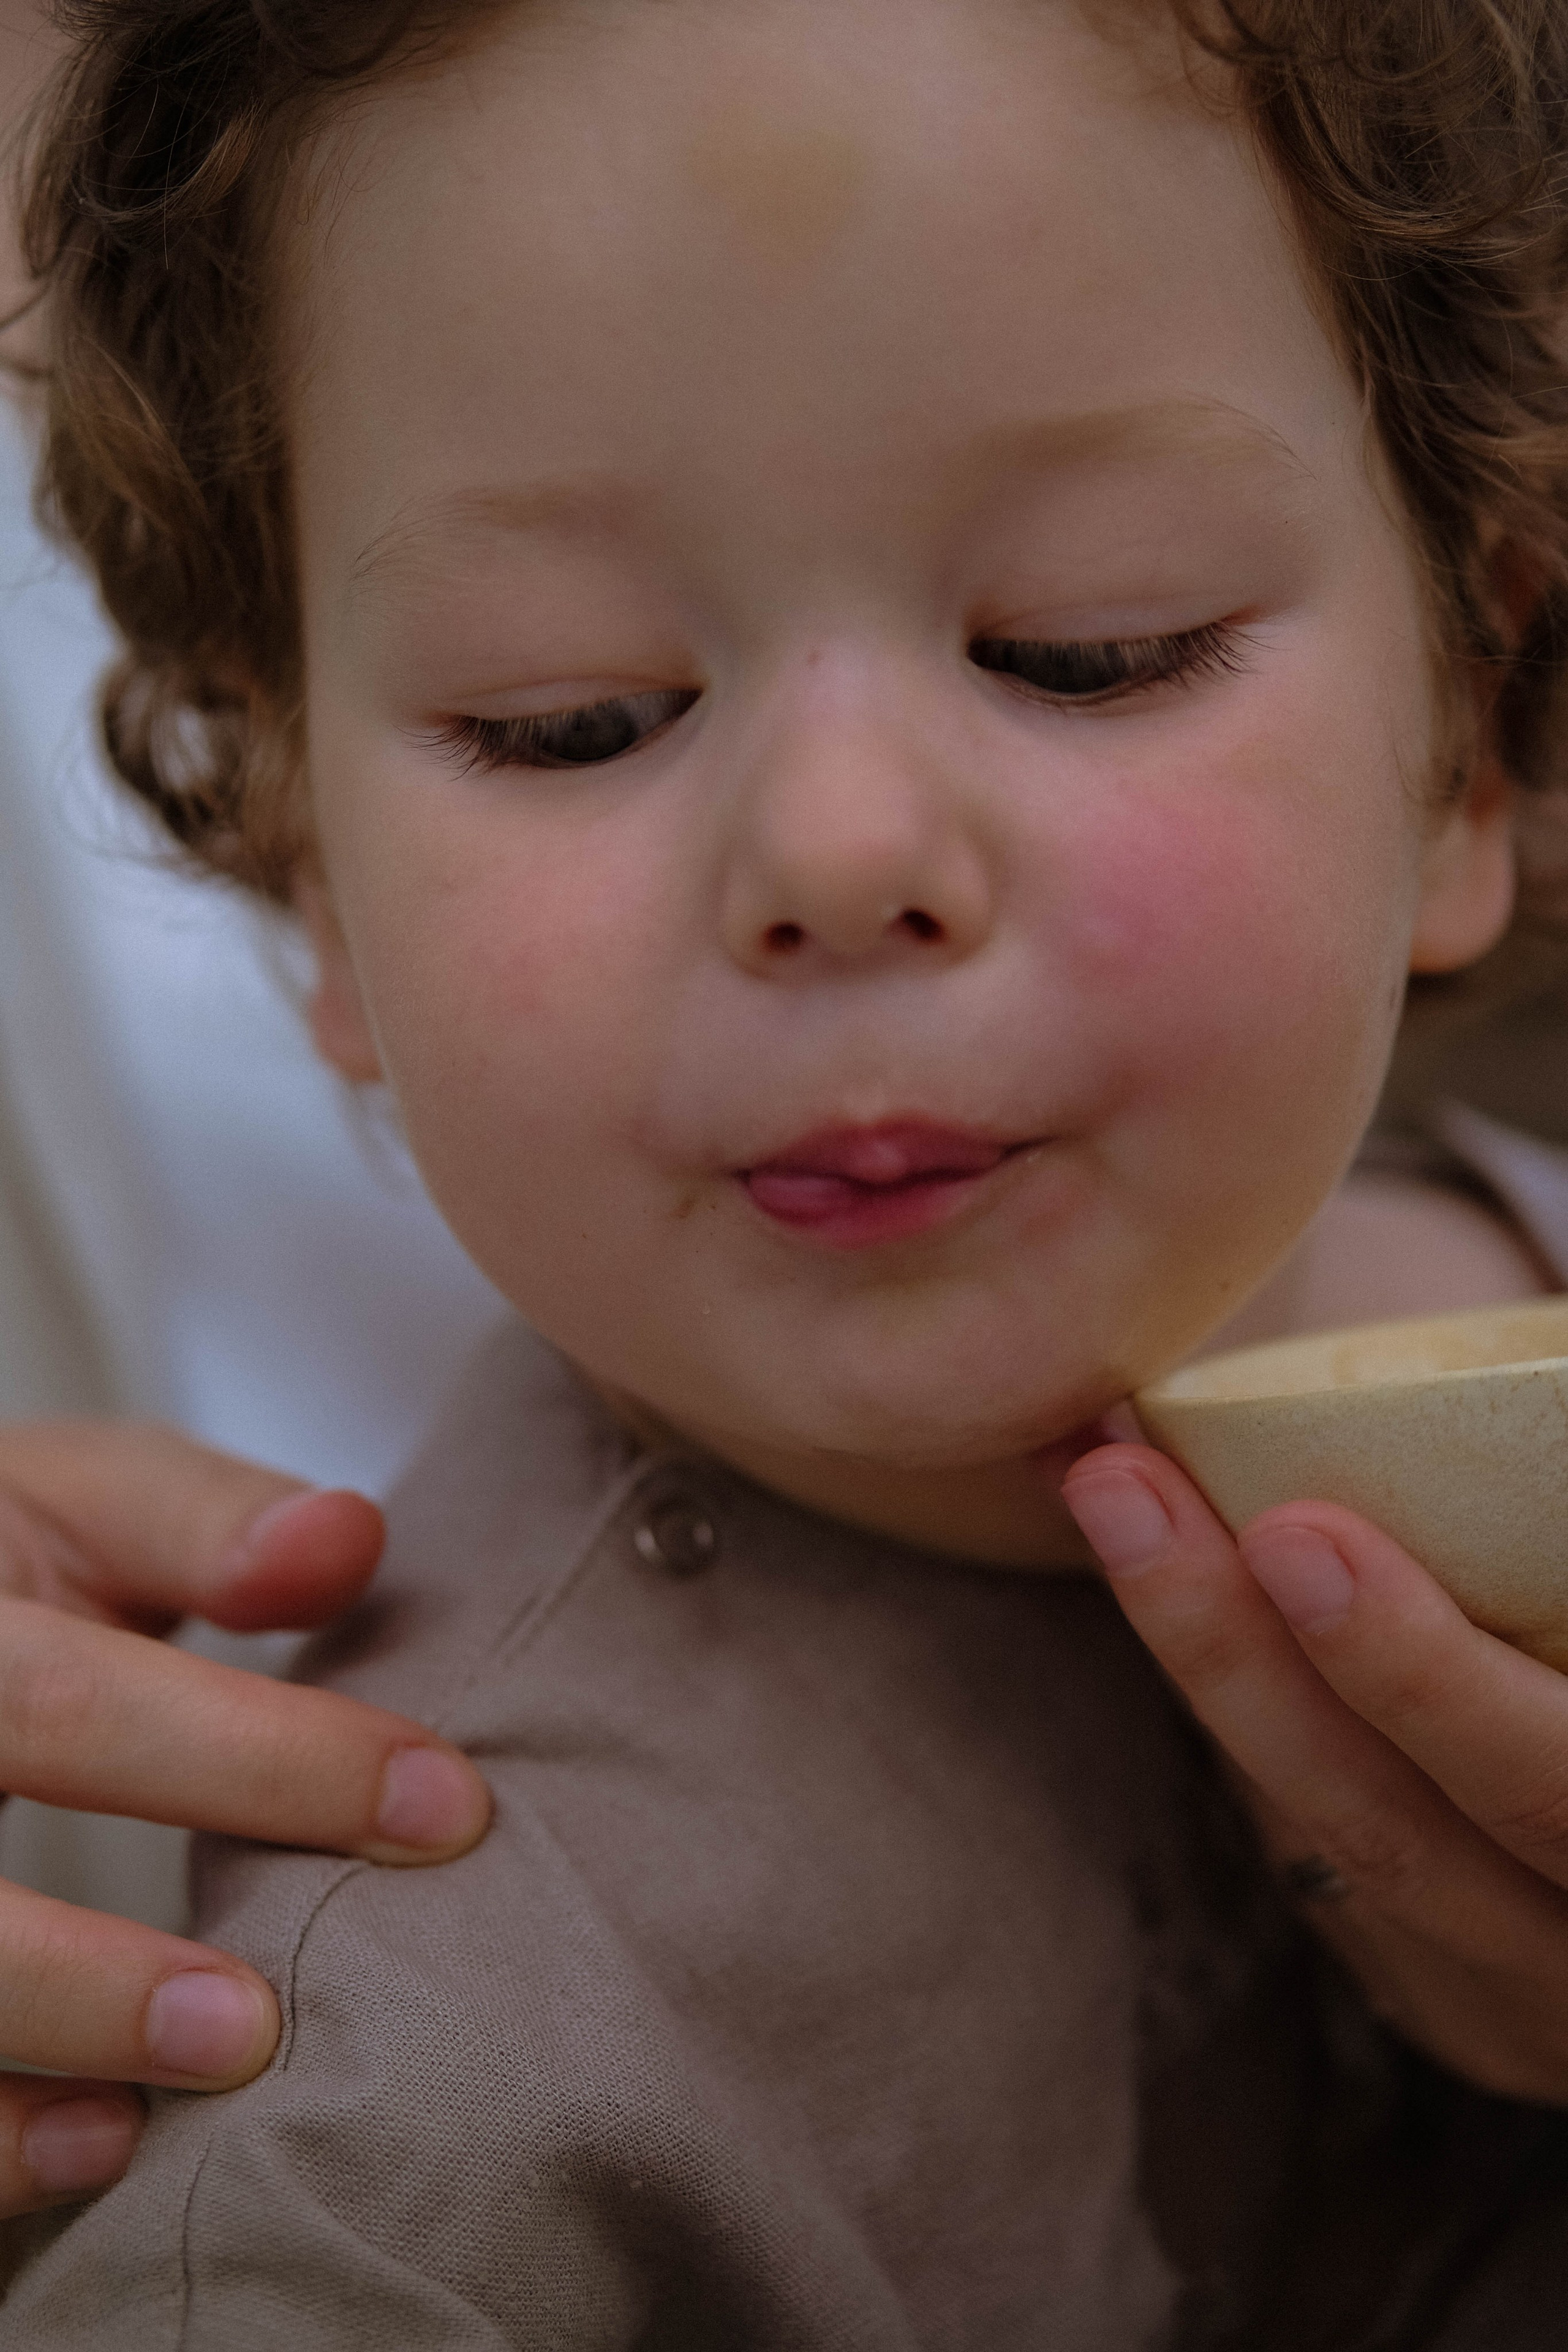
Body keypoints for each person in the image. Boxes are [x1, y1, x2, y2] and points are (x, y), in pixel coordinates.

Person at [6, 0, 1568, 2339]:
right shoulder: (432, 2101)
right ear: (310, 872)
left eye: (1087, 648)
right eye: (575, 719)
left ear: (1466, 746)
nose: (838, 853)